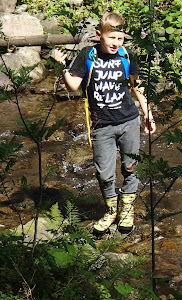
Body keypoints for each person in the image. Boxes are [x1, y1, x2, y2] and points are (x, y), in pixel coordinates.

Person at [53, 12, 156, 235]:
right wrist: (62, 67)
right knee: (104, 173)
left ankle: (126, 209)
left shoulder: (127, 56)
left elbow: (137, 86)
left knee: (131, 167)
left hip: (129, 120)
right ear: (100, 35)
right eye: (112, 38)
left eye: (120, 39)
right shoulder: (87, 55)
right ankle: (110, 211)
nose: (116, 43)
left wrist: (148, 113)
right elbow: (73, 86)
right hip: (101, 126)